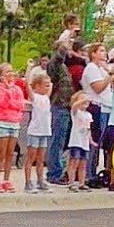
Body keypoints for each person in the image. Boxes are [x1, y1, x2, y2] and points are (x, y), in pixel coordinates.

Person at [45, 40, 76, 185]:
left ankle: (58, 170)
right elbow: (58, 58)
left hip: (66, 105)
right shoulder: (55, 65)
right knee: (56, 140)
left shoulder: (63, 67)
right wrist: (65, 44)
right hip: (59, 105)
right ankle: (54, 173)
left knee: (61, 140)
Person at [79, 43, 112, 182]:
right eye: (101, 51)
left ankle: (93, 171)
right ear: (93, 53)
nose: (104, 53)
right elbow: (98, 88)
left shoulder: (101, 69)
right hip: (95, 106)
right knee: (93, 141)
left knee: (99, 141)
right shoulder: (91, 68)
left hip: (105, 107)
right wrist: (109, 75)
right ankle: (88, 174)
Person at [0, 63, 25, 193]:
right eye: (7, 72)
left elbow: (20, 105)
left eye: (11, 71)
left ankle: (6, 179)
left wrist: (12, 100)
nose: (11, 74)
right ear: (0, 76)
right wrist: (8, 91)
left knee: (10, 152)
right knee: (1, 152)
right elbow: (3, 103)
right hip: (2, 122)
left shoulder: (17, 89)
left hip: (14, 122)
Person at [24, 72, 52, 194]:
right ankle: (28, 182)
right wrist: (29, 72)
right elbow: (28, 86)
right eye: (45, 85)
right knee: (31, 157)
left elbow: (50, 86)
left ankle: (40, 180)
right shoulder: (35, 97)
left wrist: (47, 79)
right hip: (35, 131)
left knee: (41, 158)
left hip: (45, 131)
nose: (48, 87)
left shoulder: (46, 98)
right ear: (38, 86)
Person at [67, 92, 93, 192]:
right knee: (74, 162)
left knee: (83, 164)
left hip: (85, 143)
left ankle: (82, 183)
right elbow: (74, 106)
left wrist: (91, 140)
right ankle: (71, 182)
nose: (85, 101)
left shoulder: (89, 115)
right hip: (76, 142)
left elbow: (88, 129)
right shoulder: (76, 113)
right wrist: (83, 99)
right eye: (82, 99)